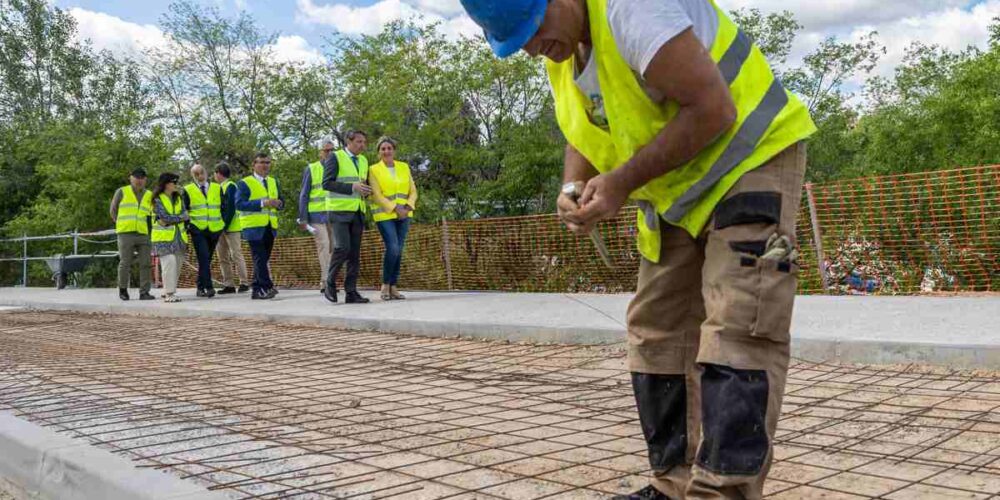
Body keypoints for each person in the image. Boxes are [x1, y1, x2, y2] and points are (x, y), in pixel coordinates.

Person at [458, 1, 816, 499]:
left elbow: (715, 107)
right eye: (516, 42)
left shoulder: (633, 8)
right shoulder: (563, 48)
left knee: (742, 322)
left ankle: (723, 491)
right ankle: (672, 484)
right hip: (675, 188)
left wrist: (622, 182)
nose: (531, 48)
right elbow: (585, 126)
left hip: (749, 160)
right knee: (657, 330)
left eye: (532, 30)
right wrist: (573, 186)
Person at [321, 130, 371, 304]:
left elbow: (363, 184)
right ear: (348, 142)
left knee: (354, 254)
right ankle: (329, 283)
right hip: (338, 211)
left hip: (358, 211)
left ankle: (351, 292)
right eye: (359, 141)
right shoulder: (335, 157)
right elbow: (326, 183)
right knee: (342, 248)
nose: (362, 145)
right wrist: (352, 187)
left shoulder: (363, 160)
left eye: (364, 142)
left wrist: (366, 191)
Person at [368, 136, 417, 301]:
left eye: (389, 148)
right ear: (378, 152)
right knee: (393, 248)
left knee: (399, 250)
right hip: (384, 214)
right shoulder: (373, 169)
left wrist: (408, 206)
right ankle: (385, 285)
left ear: (394, 150)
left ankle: (394, 286)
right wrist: (395, 208)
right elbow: (376, 194)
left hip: (405, 214)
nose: (386, 151)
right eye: (383, 149)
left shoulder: (404, 167)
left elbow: (413, 190)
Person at [237, 152, 284, 300]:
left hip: (270, 226)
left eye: (268, 162)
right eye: (261, 162)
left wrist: (279, 203)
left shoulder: (273, 181)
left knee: (262, 259)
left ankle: (257, 289)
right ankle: (266, 286)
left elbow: (281, 200)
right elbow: (239, 204)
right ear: (254, 164)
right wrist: (263, 203)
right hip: (253, 227)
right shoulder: (245, 183)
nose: (265, 165)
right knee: (260, 258)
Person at [298, 136, 338, 295]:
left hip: (334, 214)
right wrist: (303, 217)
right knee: (324, 245)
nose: (329, 153)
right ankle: (326, 281)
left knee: (334, 247)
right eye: (326, 150)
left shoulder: (338, 167)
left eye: (331, 150)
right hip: (316, 216)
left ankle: (330, 279)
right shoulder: (312, 168)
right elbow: (304, 194)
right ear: (321, 152)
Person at [109, 167, 154, 301]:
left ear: (145, 179)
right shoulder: (121, 192)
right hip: (125, 233)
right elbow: (113, 211)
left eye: (142, 178)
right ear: (131, 178)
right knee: (125, 262)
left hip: (143, 233)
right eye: (136, 177)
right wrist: (121, 224)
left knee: (146, 263)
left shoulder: (149, 195)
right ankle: (123, 290)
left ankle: (144, 292)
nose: (139, 180)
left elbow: (151, 214)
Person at [183, 164, 224, 298]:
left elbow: (224, 206)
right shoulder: (188, 189)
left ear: (206, 173)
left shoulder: (217, 188)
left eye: (201, 173)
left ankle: (200, 287)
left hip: (214, 229)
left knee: (207, 259)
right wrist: (189, 226)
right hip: (198, 229)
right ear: (192, 175)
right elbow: (184, 210)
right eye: (196, 174)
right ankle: (208, 287)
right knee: (204, 258)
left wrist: (222, 224)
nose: (199, 176)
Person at [150, 173, 190, 303]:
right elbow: (165, 218)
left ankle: (168, 290)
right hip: (163, 238)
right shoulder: (156, 199)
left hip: (179, 237)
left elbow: (185, 213)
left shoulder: (178, 198)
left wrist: (176, 219)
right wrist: (180, 218)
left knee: (177, 264)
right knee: (169, 262)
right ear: (166, 183)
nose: (176, 185)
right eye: (174, 182)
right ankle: (169, 293)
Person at [214, 162, 250, 294]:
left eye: (215, 173)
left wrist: (224, 225)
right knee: (222, 256)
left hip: (232, 227)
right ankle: (228, 283)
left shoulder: (230, 186)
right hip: (220, 228)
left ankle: (244, 282)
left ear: (218, 173)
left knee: (236, 254)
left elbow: (230, 207)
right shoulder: (219, 187)